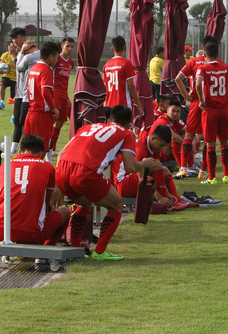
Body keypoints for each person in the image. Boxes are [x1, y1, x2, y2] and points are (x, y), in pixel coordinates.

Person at [56, 105, 162, 260]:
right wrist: (145, 163)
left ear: (109, 119)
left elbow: (61, 154)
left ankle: (75, 249)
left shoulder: (89, 127)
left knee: (84, 204)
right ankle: (100, 251)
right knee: (116, 205)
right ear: (128, 124)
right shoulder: (126, 134)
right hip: (85, 172)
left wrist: (57, 185)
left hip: (62, 168)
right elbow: (131, 167)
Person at [0, 134, 70, 245]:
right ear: (41, 154)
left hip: (0, 230)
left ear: (19, 152)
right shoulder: (48, 167)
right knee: (65, 211)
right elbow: (46, 205)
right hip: (32, 233)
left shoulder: (4, 166)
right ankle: (47, 247)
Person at [196, 41, 228, 184]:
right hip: (223, 110)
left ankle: (212, 178)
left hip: (210, 110)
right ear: (217, 54)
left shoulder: (202, 68)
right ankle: (226, 176)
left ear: (204, 55)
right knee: (224, 143)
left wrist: (201, 100)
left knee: (210, 144)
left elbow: (198, 84)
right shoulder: (225, 67)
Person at [174, 35, 216, 179]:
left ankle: (184, 167)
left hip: (196, 102)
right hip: (211, 104)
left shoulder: (194, 62)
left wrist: (187, 96)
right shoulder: (219, 64)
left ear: (203, 48)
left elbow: (178, 78)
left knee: (189, 134)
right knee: (208, 138)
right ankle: (203, 172)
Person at [23, 41, 60, 153]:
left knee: (28, 149)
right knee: (41, 150)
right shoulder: (46, 70)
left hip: (30, 113)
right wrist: (53, 108)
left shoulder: (34, 68)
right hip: (41, 115)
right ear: (50, 57)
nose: (57, 60)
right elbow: (45, 91)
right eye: (56, 57)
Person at [10, 27, 38, 154]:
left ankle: (25, 148)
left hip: (28, 93)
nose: (14, 41)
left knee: (24, 122)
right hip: (19, 92)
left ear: (23, 37)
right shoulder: (21, 51)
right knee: (17, 121)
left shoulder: (31, 52)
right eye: (13, 39)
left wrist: (16, 55)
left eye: (16, 38)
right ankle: (14, 148)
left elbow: (19, 68)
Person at [103, 36, 144, 120]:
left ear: (112, 49)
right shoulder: (126, 64)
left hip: (109, 105)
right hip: (123, 105)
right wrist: (139, 105)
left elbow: (104, 88)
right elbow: (131, 86)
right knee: (124, 130)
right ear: (125, 48)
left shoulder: (106, 65)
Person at [50, 37, 75, 158]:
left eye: (72, 46)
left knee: (60, 123)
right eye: (67, 46)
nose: (70, 49)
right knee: (52, 121)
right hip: (55, 95)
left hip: (64, 96)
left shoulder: (70, 62)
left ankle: (53, 147)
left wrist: (67, 97)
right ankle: (47, 147)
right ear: (62, 47)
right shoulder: (56, 59)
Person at [0, 44, 17, 110]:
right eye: (9, 46)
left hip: (16, 79)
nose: (10, 48)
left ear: (16, 48)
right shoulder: (5, 55)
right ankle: (2, 102)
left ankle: (13, 115)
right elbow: (0, 66)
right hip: (7, 76)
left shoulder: (19, 55)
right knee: (2, 84)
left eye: (12, 47)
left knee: (13, 99)